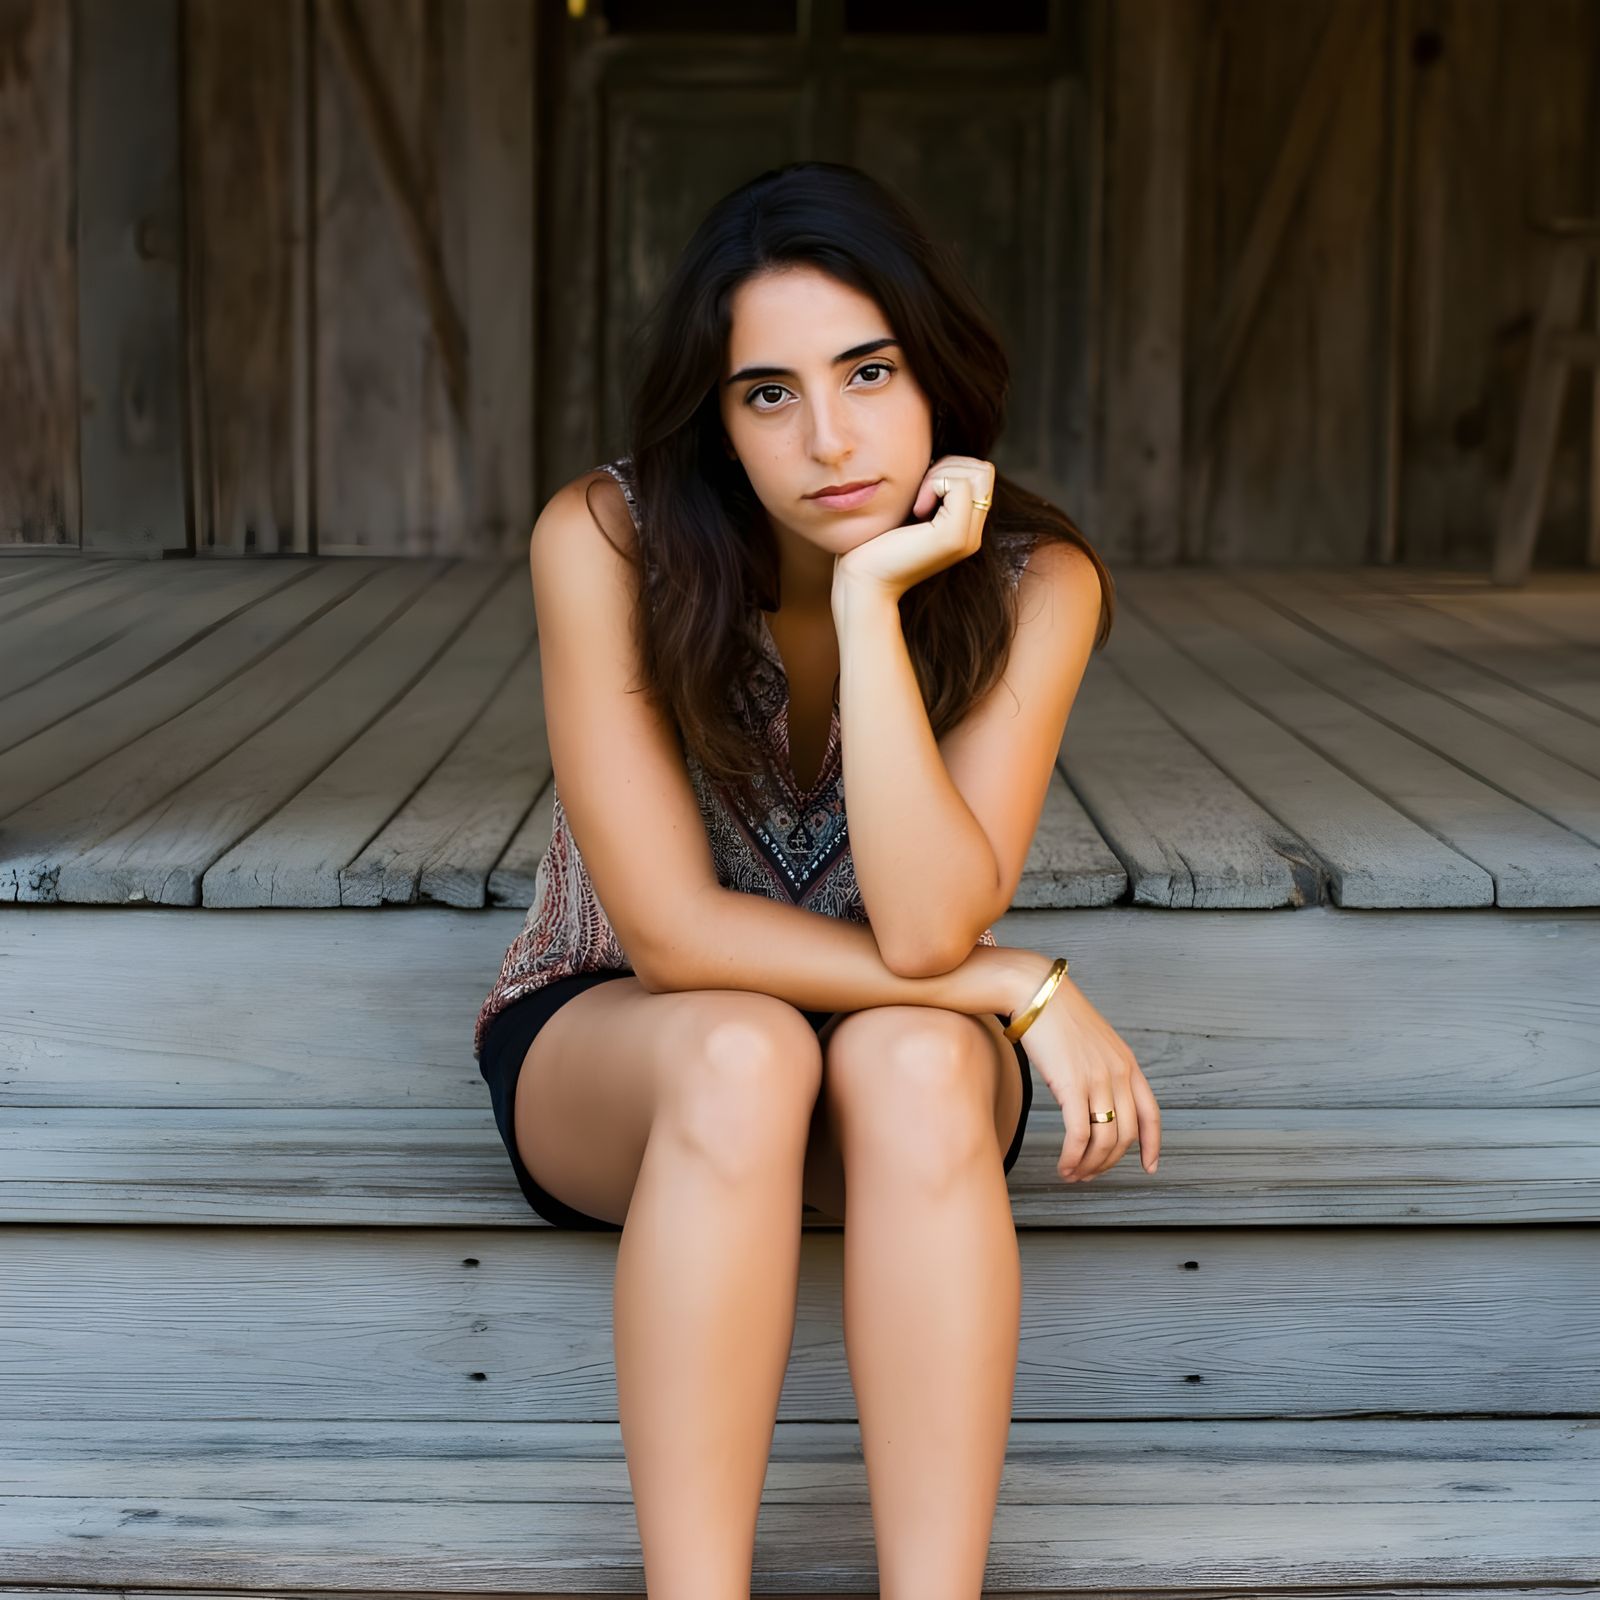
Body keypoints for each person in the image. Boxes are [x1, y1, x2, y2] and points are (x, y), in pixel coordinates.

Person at [473, 159, 1160, 1596]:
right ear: (718, 424)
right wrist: (1020, 984)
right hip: (627, 1037)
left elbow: (921, 928)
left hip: (896, 1050)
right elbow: (666, 936)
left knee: (912, 1063)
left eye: (869, 372)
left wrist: (869, 600)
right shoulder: (605, 540)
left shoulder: (1039, 583)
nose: (829, 439)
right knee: (740, 1050)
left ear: (937, 379)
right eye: (768, 393)